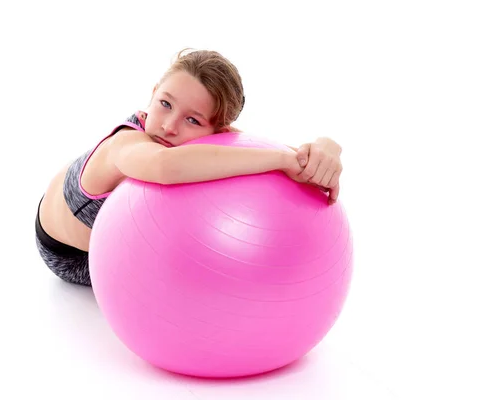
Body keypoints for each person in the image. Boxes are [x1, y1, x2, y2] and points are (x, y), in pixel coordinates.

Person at [35, 49, 344, 286]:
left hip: (108, 235)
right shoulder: (125, 145)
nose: (169, 126)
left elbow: (271, 150)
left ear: (219, 133)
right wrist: (281, 161)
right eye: (165, 103)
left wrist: (325, 147)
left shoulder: (209, 139)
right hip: (69, 252)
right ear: (154, 92)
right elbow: (164, 165)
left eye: (193, 120)